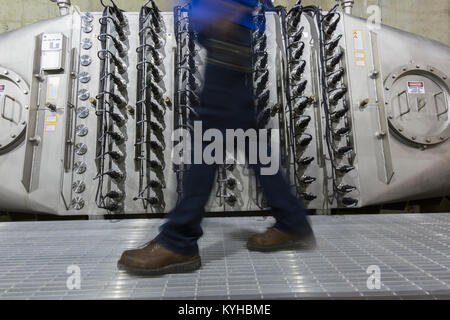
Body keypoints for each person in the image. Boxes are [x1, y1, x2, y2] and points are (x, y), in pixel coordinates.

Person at [118, 0, 315, 275]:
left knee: (206, 135)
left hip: (226, 25)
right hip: (226, 28)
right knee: (246, 135)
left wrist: (227, 8)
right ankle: (292, 219)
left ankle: (179, 239)